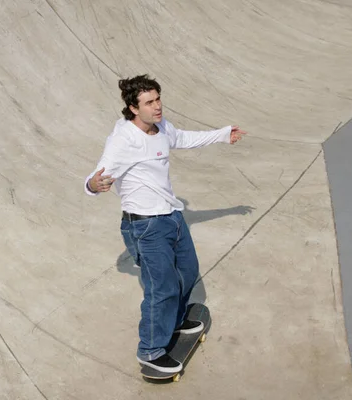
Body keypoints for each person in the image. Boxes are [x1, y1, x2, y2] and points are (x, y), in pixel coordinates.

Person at [83, 74, 246, 373]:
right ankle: (150, 350)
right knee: (162, 288)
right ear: (133, 108)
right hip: (145, 226)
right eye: (149, 102)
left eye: (158, 99)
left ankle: (175, 320)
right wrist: (93, 185)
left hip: (172, 217)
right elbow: (96, 177)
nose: (157, 107)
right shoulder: (123, 139)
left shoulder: (162, 127)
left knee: (188, 271)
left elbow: (182, 138)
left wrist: (223, 134)